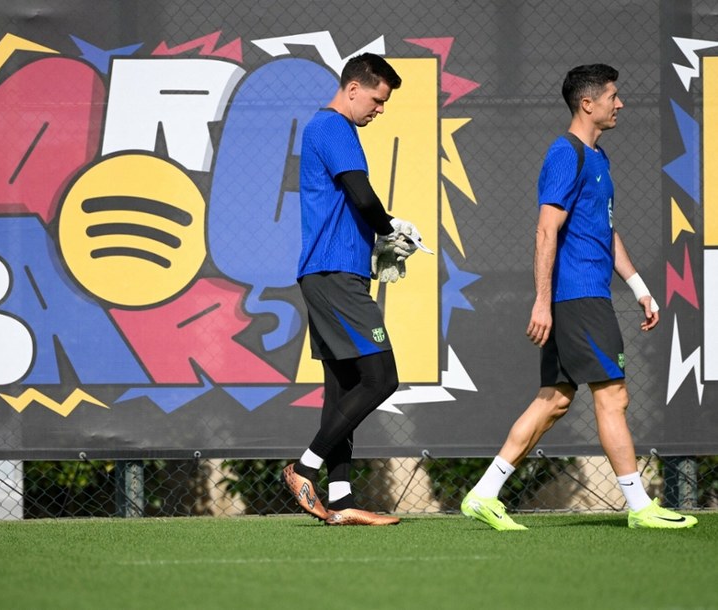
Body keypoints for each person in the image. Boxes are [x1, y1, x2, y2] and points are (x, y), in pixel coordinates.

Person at [461, 64, 698, 530]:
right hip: (577, 299)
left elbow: (604, 232)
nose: (620, 103)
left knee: (554, 400)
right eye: (613, 95)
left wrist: (639, 288)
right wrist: (542, 302)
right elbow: (546, 230)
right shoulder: (564, 154)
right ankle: (640, 507)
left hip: (588, 295)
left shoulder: (599, 158)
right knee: (614, 395)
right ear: (587, 103)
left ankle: (483, 494)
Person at [282, 53, 431, 526]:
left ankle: (341, 502)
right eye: (377, 99)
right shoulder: (333, 128)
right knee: (381, 378)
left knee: (344, 387)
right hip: (333, 276)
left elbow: (355, 202)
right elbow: (362, 195)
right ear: (352, 89)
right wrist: (389, 228)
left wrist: (382, 231)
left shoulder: (330, 129)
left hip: (333, 274)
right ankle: (303, 468)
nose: (379, 109)